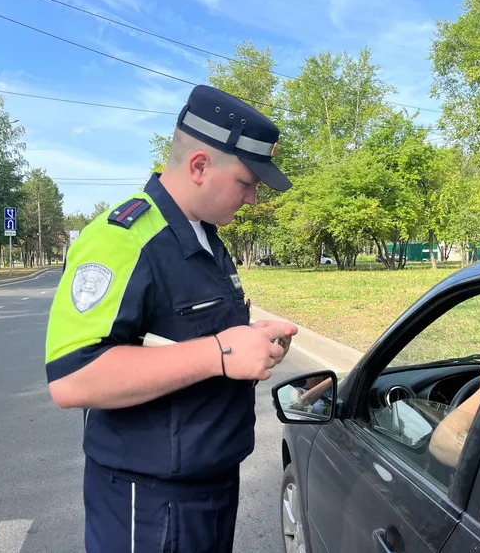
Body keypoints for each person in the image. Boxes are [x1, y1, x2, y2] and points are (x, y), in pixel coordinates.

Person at [44, 85, 298, 553]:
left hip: (210, 483)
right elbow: (73, 378)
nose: (252, 201)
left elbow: (184, 339)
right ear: (199, 166)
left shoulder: (206, 239)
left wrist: (248, 344)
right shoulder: (124, 239)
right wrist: (220, 353)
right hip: (149, 504)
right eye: (247, 183)